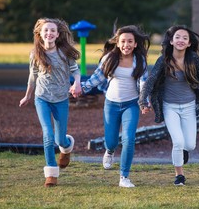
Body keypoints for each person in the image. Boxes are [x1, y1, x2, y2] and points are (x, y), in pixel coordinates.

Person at [139, 25, 199, 186]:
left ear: (189, 43)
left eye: (185, 38)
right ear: (171, 41)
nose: (181, 40)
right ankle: (179, 175)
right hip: (170, 107)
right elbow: (151, 81)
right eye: (177, 37)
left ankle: (183, 151)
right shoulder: (163, 60)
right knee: (177, 141)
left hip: (189, 106)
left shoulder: (193, 60)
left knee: (189, 144)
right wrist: (143, 100)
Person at [81, 25, 150, 188]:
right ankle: (110, 151)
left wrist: (144, 102)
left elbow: (144, 83)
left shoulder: (140, 61)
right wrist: (82, 89)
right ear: (117, 43)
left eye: (130, 42)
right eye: (123, 41)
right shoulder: (109, 58)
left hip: (131, 105)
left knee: (129, 139)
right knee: (111, 141)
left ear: (135, 44)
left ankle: (124, 177)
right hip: (111, 104)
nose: (126, 44)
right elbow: (96, 78)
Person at [19, 18, 81, 187]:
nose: (49, 33)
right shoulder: (35, 54)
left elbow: (76, 70)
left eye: (53, 30)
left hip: (61, 99)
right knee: (47, 135)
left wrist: (77, 83)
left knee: (60, 139)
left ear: (58, 34)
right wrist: (27, 96)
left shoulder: (64, 52)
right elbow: (33, 77)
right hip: (42, 98)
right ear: (40, 34)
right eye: (46, 30)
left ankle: (67, 148)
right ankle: (51, 174)